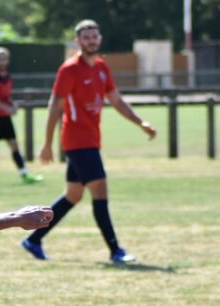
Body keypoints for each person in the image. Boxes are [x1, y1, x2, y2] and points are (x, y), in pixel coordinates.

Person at [21, 19, 157, 265]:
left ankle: (33, 240)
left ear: (99, 39)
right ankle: (115, 250)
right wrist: (47, 142)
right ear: (78, 41)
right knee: (100, 190)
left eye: (94, 36)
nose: (91, 41)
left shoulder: (102, 67)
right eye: (86, 37)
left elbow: (116, 101)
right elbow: (54, 106)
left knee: (73, 195)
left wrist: (141, 122)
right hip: (76, 141)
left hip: (91, 140)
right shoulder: (69, 69)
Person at [0, 47, 43, 186]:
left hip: (5, 117)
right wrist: (7, 108)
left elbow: (4, 97)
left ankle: (24, 174)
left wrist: (12, 104)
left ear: (8, 60)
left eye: (3, 58)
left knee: (14, 145)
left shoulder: (7, 77)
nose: (1, 61)